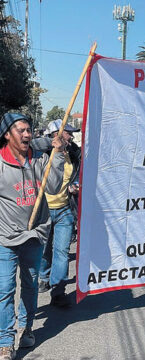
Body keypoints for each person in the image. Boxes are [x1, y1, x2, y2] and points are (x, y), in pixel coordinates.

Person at [0, 113, 65, 360]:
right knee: (5, 289)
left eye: (29, 130)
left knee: (29, 286)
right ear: (7, 134)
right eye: (21, 130)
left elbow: (54, 187)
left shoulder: (40, 159)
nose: (27, 134)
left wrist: (57, 155)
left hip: (35, 235)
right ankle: (5, 341)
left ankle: (26, 329)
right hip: (6, 238)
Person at [38, 119, 81, 308]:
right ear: (56, 134)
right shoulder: (41, 154)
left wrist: (76, 185)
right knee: (44, 250)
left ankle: (58, 291)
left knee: (62, 251)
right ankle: (43, 276)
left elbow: (78, 173)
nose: (71, 136)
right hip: (44, 211)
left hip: (65, 210)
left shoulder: (73, 153)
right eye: (67, 132)